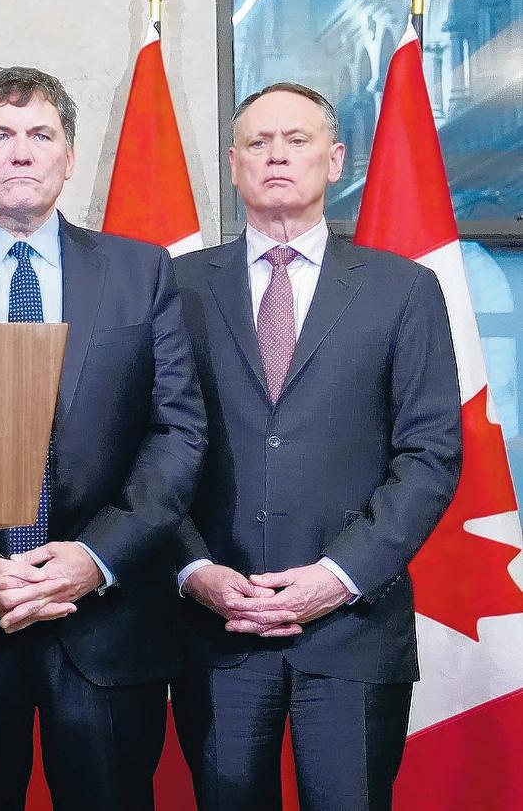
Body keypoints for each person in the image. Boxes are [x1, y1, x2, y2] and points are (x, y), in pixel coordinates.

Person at [0, 67, 206, 810]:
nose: (21, 152)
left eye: (41, 135)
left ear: (69, 158)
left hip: (105, 621)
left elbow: (177, 433)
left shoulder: (141, 272)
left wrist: (93, 557)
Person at [171, 83, 461, 811]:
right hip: (219, 625)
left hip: (353, 630)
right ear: (233, 165)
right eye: (258, 143)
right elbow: (149, 448)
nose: (276, 156)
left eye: (296, 140)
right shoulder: (175, 287)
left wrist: (339, 575)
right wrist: (195, 568)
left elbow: (429, 455)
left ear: (334, 161)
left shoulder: (403, 289)